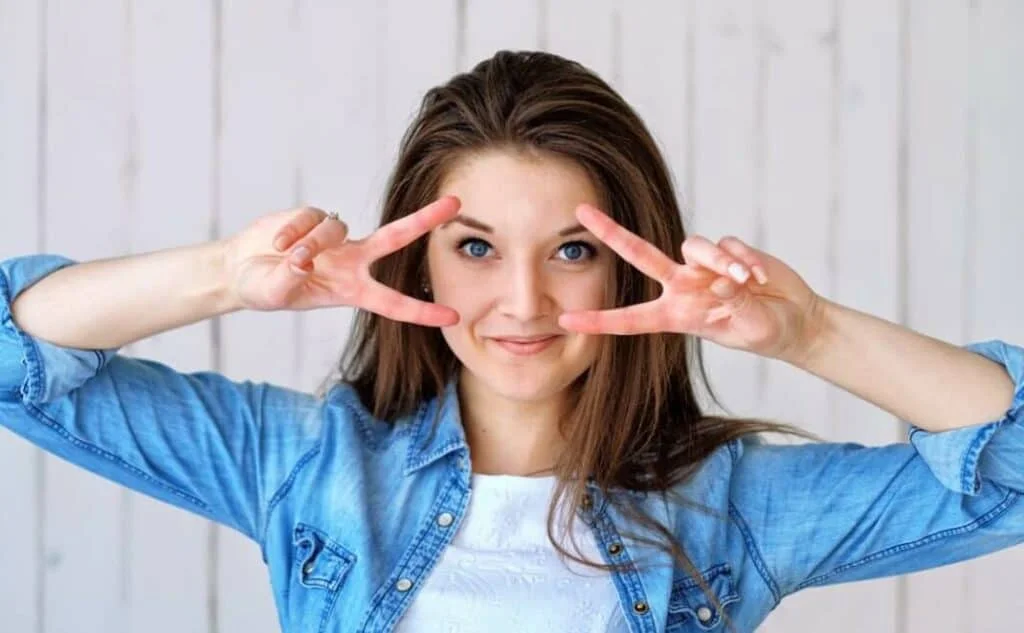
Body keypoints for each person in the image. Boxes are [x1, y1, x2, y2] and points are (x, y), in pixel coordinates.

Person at [1, 50, 1022, 633]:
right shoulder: (306, 466)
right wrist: (227, 275)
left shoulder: (734, 506)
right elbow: (21, 364)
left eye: (572, 249)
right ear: (419, 257)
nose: (522, 302)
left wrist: (810, 332)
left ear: (628, 261)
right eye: (478, 246)